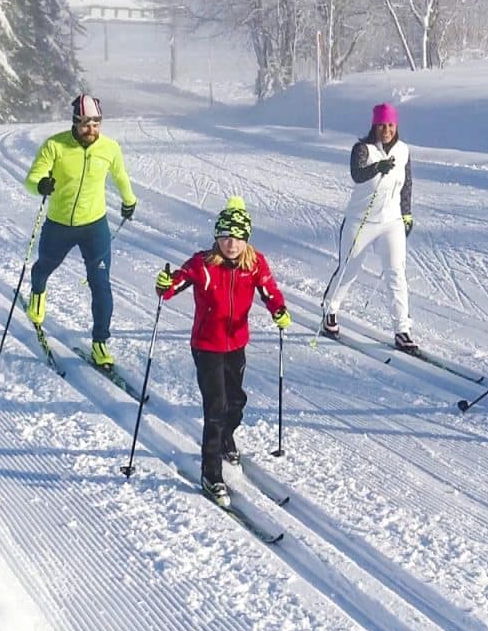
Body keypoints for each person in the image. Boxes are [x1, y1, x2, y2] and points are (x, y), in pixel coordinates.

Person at [156, 197, 291, 507]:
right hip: (206, 346)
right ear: (216, 237)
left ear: (246, 239)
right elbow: (173, 286)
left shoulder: (254, 263)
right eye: (226, 237)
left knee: (236, 401)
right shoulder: (202, 264)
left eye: (238, 237)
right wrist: (164, 284)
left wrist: (279, 310)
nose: (232, 244)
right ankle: (211, 472)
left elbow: (269, 290)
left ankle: (227, 438)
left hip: (236, 343)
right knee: (215, 408)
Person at [24, 94, 137, 369]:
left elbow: (120, 175)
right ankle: (37, 294)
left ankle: (100, 342)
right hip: (59, 225)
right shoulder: (55, 145)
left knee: (101, 285)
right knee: (43, 268)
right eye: (86, 124)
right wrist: (41, 186)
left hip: (94, 226)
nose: (92, 130)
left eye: (96, 123)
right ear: (75, 122)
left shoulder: (109, 148)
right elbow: (32, 177)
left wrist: (129, 200)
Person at [320, 102, 418, 351]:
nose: (387, 129)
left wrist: (406, 214)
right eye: (382, 125)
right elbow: (357, 174)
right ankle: (330, 311)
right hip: (360, 221)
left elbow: (406, 184)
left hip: (391, 222)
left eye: (391, 125)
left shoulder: (404, 151)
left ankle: (402, 329)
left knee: (396, 273)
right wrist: (377, 167)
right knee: (349, 269)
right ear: (374, 126)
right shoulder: (362, 149)